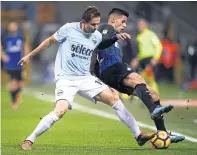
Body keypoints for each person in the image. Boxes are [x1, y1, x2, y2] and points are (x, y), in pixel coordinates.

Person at [18, 6, 156, 150]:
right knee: (60, 111)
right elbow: (49, 42)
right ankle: (29, 139)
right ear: (84, 22)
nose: (96, 27)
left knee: (114, 99)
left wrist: (116, 37)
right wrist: (29, 56)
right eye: (94, 24)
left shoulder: (96, 35)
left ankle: (138, 135)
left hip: (85, 78)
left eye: (98, 24)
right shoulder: (69, 29)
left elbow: (103, 44)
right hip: (66, 79)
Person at [95, 8, 185, 143]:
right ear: (113, 20)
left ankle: (163, 132)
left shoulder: (116, 37)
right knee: (138, 79)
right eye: (123, 21)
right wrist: (115, 37)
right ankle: (154, 110)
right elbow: (101, 41)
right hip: (111, 68)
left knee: (154, 95)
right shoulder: (105, 27)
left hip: (114, 71)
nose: (125, 25)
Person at [1, 21, 30, 109]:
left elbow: (25, 47)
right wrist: (3, 56)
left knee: (20, 84)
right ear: (9, 28)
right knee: (13, 83)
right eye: (11, 26)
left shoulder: (21, 37)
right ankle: (14, 102)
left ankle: (16, 94)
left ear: (17, 27)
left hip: (19, 62)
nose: (13, 27)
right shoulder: (5, 38)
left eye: (14, 26)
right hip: (10, 63)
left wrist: (27, 56)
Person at [136, 19, 162, 93]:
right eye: (138, 25)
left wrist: (156, 58)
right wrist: (137, 59)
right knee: (141, 77)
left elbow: (158, 46)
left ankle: (155, 94)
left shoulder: (151, 34)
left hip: (150, 58)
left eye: (141, 25)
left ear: (145, 25)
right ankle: (143, 94)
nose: (139, 27)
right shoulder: (139, 36)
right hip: (142, 59)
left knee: (150, 78)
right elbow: (142, 51)